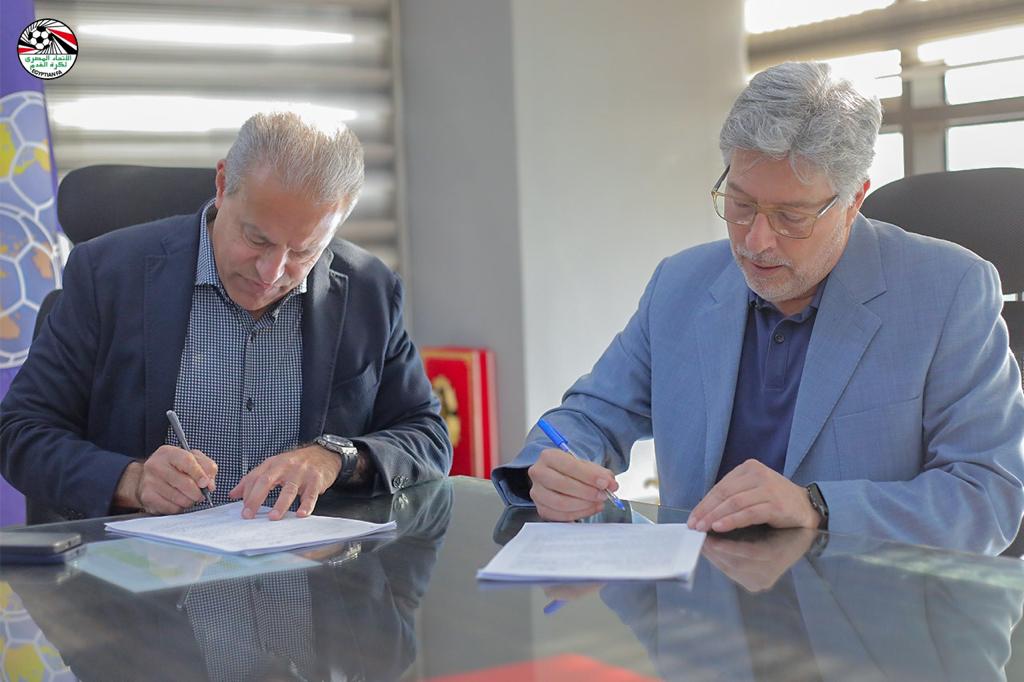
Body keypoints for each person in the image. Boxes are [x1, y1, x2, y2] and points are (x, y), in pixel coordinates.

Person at [492, 61, 1024, 554]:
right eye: (741, 204)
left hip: (868, 610)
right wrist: (553, 467)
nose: (756, 241)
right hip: (706, 605)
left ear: (854, 201)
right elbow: (589, 416)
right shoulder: (680, 284)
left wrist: (817, 507)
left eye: (791, 217)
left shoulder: (949, 290)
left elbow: (988, 497)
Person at [0, 111, 451, 521]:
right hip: (145, 573)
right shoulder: (108, 275)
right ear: (221, 185)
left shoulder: (369, 290)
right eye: (257, 239)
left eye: (303, 251)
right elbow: (19, 431)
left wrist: (337, 457)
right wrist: (131, 480)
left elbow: (427, 435)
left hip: (308, 571)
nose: (272, 273)